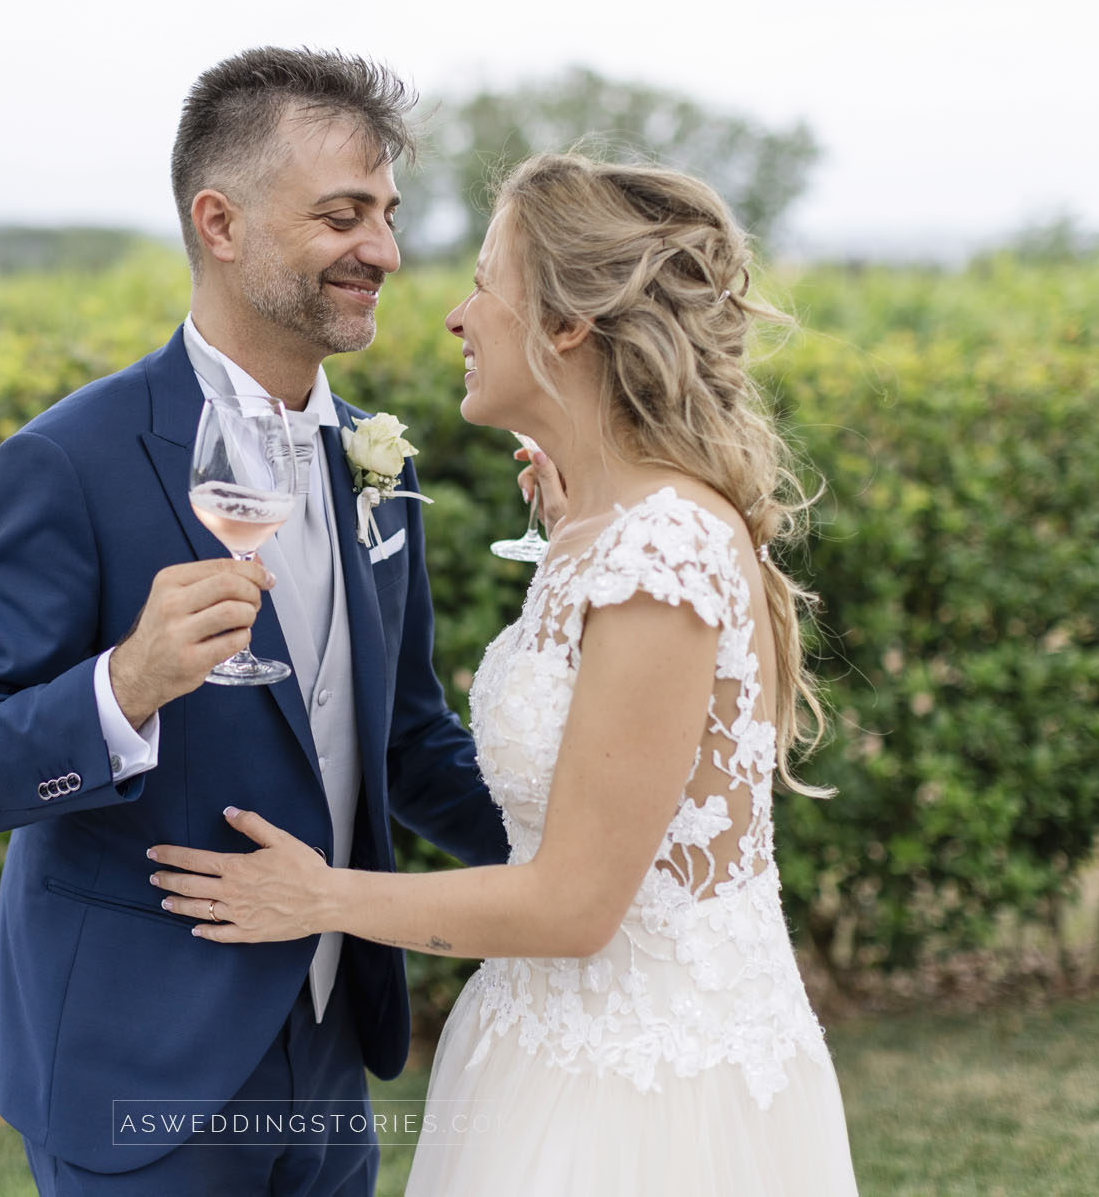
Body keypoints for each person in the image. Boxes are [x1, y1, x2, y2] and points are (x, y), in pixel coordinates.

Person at [148, 152, 861, 1194]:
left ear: (568, 323)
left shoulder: (661, 554)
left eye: (487, 280)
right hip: (544, 1040)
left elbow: (576, 903)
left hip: (645, 1094)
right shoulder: (610, 531)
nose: (454, 314)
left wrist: (318, 896)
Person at [0, 46, 510, 1197]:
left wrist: (582, 870)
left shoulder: (371, 460)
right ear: (220, 222)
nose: (381, 251)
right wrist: (123, 683)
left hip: (334, 1043)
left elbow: (400, 738)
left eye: (385, 215)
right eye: (342, 215)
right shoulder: (65, 462)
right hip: (136, 1058)